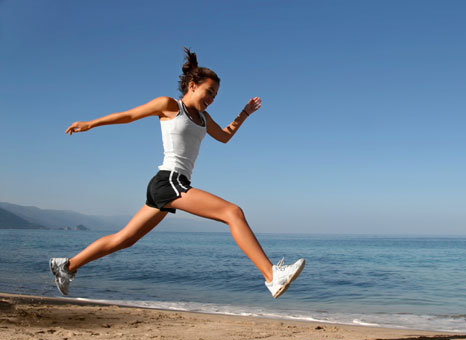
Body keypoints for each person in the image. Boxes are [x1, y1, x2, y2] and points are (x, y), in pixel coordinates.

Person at [49, 47, 305, 299]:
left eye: (215, 95)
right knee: (233, 212)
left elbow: (224, 136)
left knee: (125, 239)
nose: (212, 98)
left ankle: (67, 266)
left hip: (169, 184)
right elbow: (129, 115)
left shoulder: (204, 118)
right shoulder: (169, 105)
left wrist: (244, 114)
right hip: (169, 180)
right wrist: (91, 123)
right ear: (192, 85)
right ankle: (272, 276)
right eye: (209, 91)